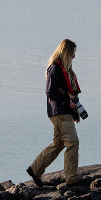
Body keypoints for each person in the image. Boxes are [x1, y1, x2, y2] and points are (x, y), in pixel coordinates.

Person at [27, 39, 85, 187]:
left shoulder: (63, 69)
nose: (73, 56)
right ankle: (72, 178)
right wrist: (67, 103)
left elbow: (67, 93)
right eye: (72, 53)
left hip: (62, 112)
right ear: (66, 52)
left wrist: (74, 112)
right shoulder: (55, 68)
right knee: (73, 143)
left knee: (58, 144)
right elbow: (50, 92)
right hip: (59, 112)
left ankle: (35, 169)